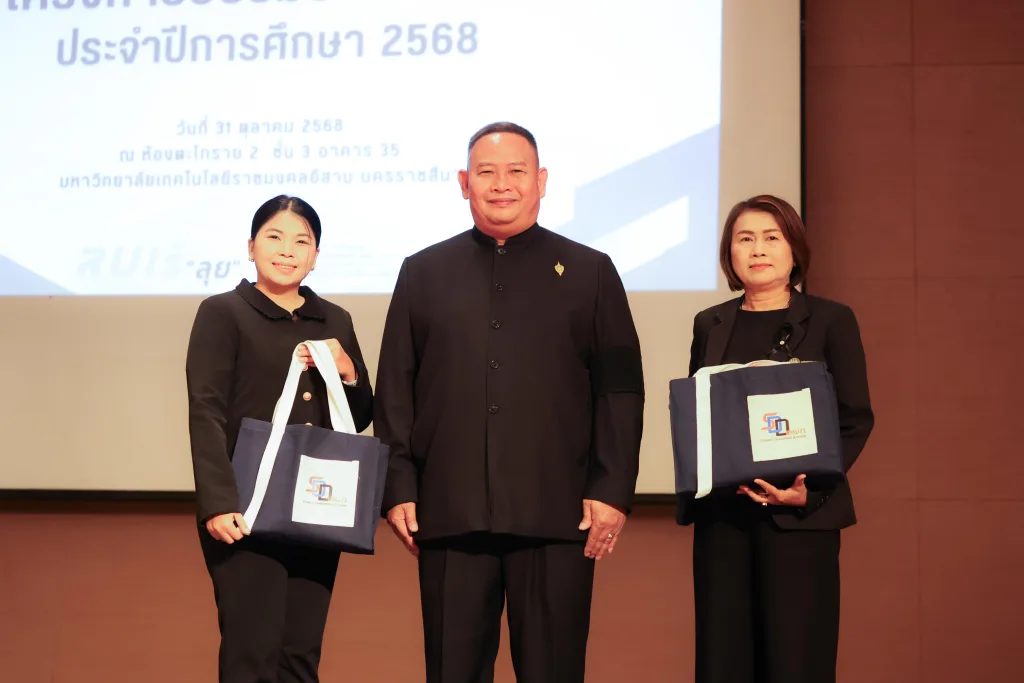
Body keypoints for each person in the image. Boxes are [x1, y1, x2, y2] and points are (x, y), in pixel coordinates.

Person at [374, 122, 645, 683]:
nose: (502, 184)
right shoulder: (423, 272)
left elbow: (619, 389)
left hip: (559, 513)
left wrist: (611, 489)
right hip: (450, 510)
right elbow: (396, 387)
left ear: (541, 181)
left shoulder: (591, 271)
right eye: (486, 172)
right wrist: (398, 486)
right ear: (463, 183)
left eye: (516, 171)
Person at [680, 194, 874, 683]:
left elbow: (854, 418)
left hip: (797, 520)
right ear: (729, 253)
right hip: (725, 522)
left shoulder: (831, 320)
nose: (758, 249)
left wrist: (812, 490)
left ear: (794, 251)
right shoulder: (710, 324)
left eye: (772, 237)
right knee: (724, 661)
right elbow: (701, 414)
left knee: (795, 660)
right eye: (745, 238)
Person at [185, 195, 374, 683]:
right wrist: (218, 503)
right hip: (245, 510)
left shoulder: (335, 320)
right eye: (274, 237)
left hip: (317, 506)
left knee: (300, 654)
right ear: (251, 247)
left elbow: (358, 417)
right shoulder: (222, 312)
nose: (287, 250)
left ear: (315, 256)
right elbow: (205, 411)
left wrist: (349, 371)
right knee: (252, 653)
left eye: (301, 241)